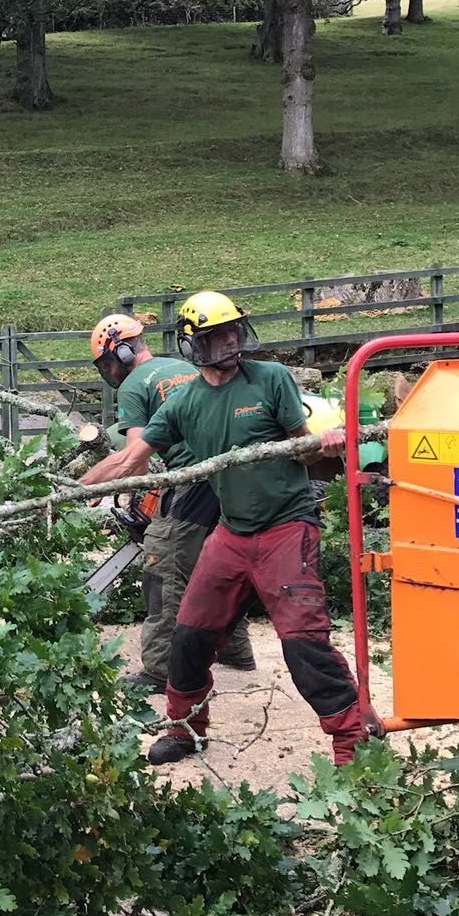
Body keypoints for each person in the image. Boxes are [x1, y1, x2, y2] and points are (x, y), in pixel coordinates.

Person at [83, 291, 382, 767]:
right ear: (192, 345)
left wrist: (325, 445)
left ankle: (353, 743)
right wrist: (67, 491)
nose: (228, 342)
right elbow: (129, 459)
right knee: (189, 636)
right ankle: (184, 728)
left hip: (287, 527)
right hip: (232, 531)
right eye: (215, 336)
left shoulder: (270, 378)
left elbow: (302, 452)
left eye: (231, 331)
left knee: (304, 644)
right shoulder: (184, 403)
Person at [89, 313, 254, 690]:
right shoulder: (181, 367)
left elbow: (135, 458)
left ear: (124, 352)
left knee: (162, 563)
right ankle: (236, 650)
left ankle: (160, 668)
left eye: (109, 362)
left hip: (192, 479)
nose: (110, 371)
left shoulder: (132, 385)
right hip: (230, 473)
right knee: (219, 563)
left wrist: (79, 489)